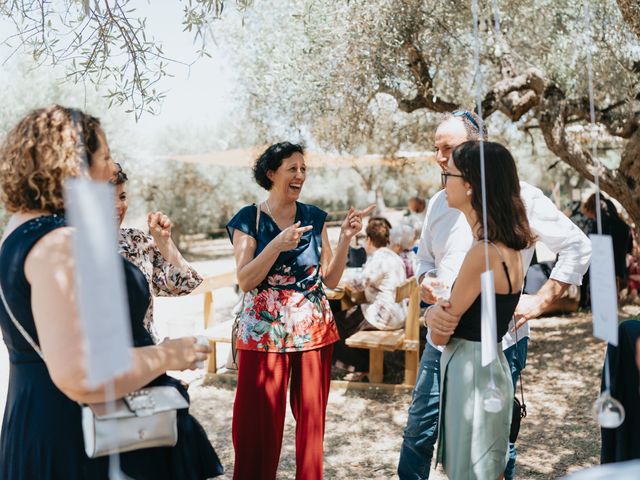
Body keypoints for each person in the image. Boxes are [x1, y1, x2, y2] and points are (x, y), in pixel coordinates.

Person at [0, 105, 222, 479]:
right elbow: (82, 374)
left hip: (43, 416)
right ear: (72, 166)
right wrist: (168, 354)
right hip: (81, 438)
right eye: (104, 157)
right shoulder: (59, 243)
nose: (110, 169)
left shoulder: (19, 233)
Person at [397, 111, 592, 480]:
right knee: (419, 433)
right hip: (444, 342)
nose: (440, 157)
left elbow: (578, 247)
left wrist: (539, 301)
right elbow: (423, 258)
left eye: (448, 149)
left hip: (498, 341)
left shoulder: (523, 200)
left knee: (494, 442)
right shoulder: (439, 203)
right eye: (436, 148)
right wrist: (425, 280)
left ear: (476, 152)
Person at [226, 142, 373, 480]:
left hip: (313, 331)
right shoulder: (249, 219)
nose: (300, 175)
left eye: (303, 169)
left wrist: (346, 239)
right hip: (262, 335)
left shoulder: (313, 217)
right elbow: (246, 279)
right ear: (270, 173)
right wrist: (277, 244)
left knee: (311, 424)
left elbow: (331, 281)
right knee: (256, 426)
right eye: (292, 168)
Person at [431, 140, 534, 478]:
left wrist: (429, 313)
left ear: (471, 184)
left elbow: (442, 329)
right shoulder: (508, 247)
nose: (443, 180)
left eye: (448, 174)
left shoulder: (484, 253)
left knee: (469, 470)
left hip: (471, 371)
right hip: (490, 364)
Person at [112, 163, 203, 341]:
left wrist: (164, 241)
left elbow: (184, 284)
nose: (118, 206)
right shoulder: (68, 246)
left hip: (148, 355)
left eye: (122, 197)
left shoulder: (136, 241)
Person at [332, 217, 407, 380]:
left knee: (333, 324)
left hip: (383, 316)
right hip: (398, 315)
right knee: (347, 319)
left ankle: (362, 365)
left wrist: (340, 280)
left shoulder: (379, 258)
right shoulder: (394, 256)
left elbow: (358, 284)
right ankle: (365, 363)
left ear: (368, 240)